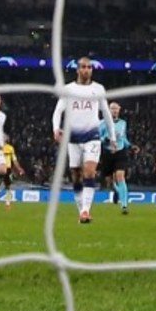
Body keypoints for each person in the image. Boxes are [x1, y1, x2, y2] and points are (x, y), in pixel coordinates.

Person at [51, 57, 116, 224]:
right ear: (78, 70)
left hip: (92, 136)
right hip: (73, 138)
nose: (87, 70)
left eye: (89, 67)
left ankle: (86, 210)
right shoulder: (69, 89)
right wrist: (56, 128)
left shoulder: (98, 89)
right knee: (76, 175)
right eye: (84, 67)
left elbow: (106, 113)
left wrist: (112, 137)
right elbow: (58, 111)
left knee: (89, 171)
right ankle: (81, 210)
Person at [98, 102, 137, 215]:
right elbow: (97, 138)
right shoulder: (102, 123)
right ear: (108, 110)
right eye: (112, 109)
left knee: (120, 177)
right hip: (107, 153)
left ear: (119, 110)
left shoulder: (123, 123)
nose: (114, 111)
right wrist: (105, 139)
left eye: (116, 109)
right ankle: (116, 190)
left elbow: (123, 138)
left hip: (120, 152)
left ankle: (124, 205)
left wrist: (130, 146)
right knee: (109, 182)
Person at [0, 135, 24, 209]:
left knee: (4, 186)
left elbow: (14, 160)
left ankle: (3, 204)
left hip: (6, 169)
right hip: (2, 169)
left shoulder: (8, 148)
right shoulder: (1, 148)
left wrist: (19, 168)